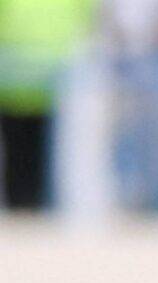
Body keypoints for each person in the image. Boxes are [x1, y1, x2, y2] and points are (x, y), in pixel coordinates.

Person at [0, 0, 98, 210]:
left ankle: (38, 209)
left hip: (55, 82)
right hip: (12, 81)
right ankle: (24, 209)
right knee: (19, 153)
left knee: (47, 156)